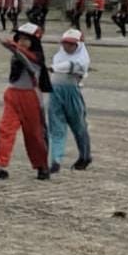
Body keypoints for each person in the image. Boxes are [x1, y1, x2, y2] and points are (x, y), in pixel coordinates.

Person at [0, 22, 53, 181]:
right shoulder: (17, 52)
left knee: (34, 134)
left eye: (27, 39)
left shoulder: (36, 57)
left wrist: (13, 47)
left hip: (31, 97)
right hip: (13, 94)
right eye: (20, 38)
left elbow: (27, 60)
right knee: (5, 129)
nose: (22, 41)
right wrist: (14, 48)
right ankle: (1, 166)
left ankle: (41, 166)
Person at [47, 28, 92, 172]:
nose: (68, 46)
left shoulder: (83, 59)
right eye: (65, 43)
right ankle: (56, 160)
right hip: (55, 92)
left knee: (79, 127)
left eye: (72, 44)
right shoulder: (58, 56)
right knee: (56, 126)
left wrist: (53, 68)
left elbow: (72, 66)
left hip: (72, 92)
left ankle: (85, 156)